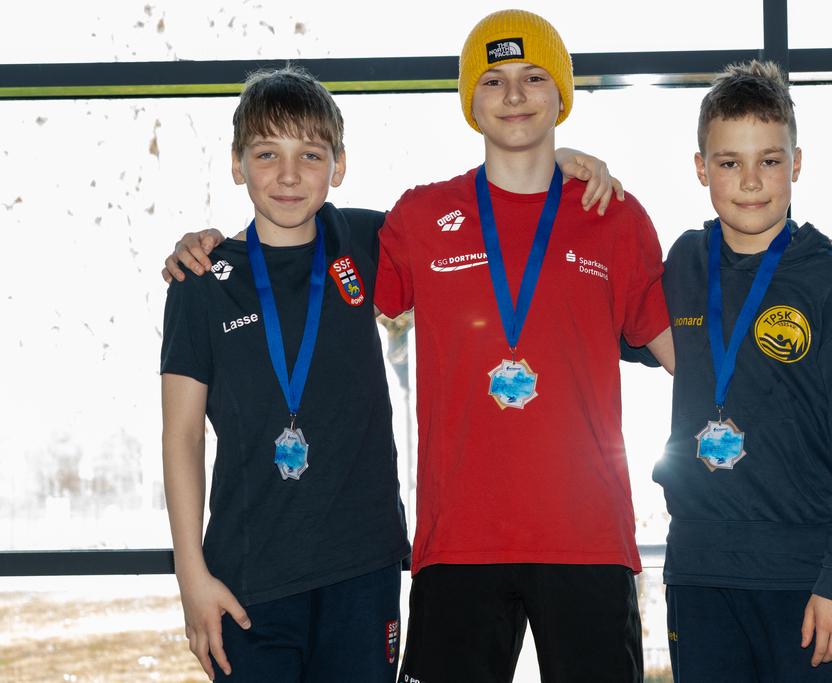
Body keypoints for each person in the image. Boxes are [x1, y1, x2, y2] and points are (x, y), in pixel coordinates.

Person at [372, 10, 673, 682]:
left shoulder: (613, 216)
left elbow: (688, 350)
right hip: (459, 540)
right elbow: (314, 252)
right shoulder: (422, 217)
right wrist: (225, 250)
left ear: (560, 92)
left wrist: (785, 270)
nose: (514, 94)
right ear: (470, 101)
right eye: (493, 79)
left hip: (587, 538)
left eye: (534, 77)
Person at [160, 66, 411, 682]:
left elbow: (483, 210)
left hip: (363, 570)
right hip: (247, 582)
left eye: (311, 154)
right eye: (267, 153)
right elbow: (182, 435)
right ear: (237, 164)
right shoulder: (202, 280)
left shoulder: (368, 238)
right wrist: (191, 575)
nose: (290, 175)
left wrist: (559, 158)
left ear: (339, 166)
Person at [650, 60, 832, 682]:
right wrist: (566, 165)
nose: (751, 181)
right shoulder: (685, 263)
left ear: (797, 163)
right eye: (730, 162)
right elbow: (607, 306)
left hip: (808, 581)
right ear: (701, 168)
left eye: (770, 160)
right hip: (701, 577)